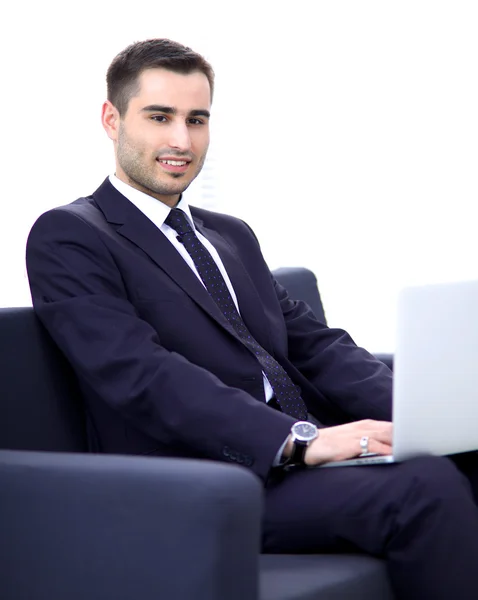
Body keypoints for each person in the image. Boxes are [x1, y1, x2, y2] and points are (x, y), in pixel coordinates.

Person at [26, 38, 478, 599]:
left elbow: (317, 344)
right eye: (159, 117)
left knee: (465, 459)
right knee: (425, 488)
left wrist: (429, 419)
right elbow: (140, 374)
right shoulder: (70, 235)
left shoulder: (229, 234)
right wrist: (297, 440)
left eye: (197, 119)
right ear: (111, 119)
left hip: (299, 461)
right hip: (204, 478)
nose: (180, 140)